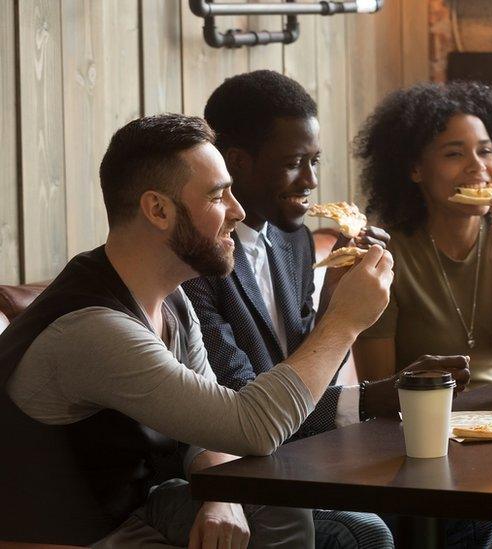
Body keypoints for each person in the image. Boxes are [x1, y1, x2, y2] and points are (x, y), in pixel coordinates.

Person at [0, 113, 397, 547]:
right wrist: (344, 322)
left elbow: (207, 431)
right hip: (67, 533)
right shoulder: (93, 329)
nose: (238, 211)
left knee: (344, 528)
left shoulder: (172, 298)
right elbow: (253, 426)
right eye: (218, 196)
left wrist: (220, 497)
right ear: (158, 210)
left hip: (132, 502)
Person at [183, 71, 469, 548]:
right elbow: (247, 408)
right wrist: (380, 393)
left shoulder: (292, 241)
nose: (312, 181)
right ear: (237, 162)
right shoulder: (197, 265)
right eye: (295, 163)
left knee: (469, 507)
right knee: (364, 533)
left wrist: (336, 299)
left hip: (307, 457)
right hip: (247, 469)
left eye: (315, 161)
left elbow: (308, 376)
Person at [351, 81, 492, 548]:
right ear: (415, 169)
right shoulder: (387, 251)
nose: (478, 168)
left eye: (485, 151)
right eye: (454, 154)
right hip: (419, 431)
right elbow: (379, 392)